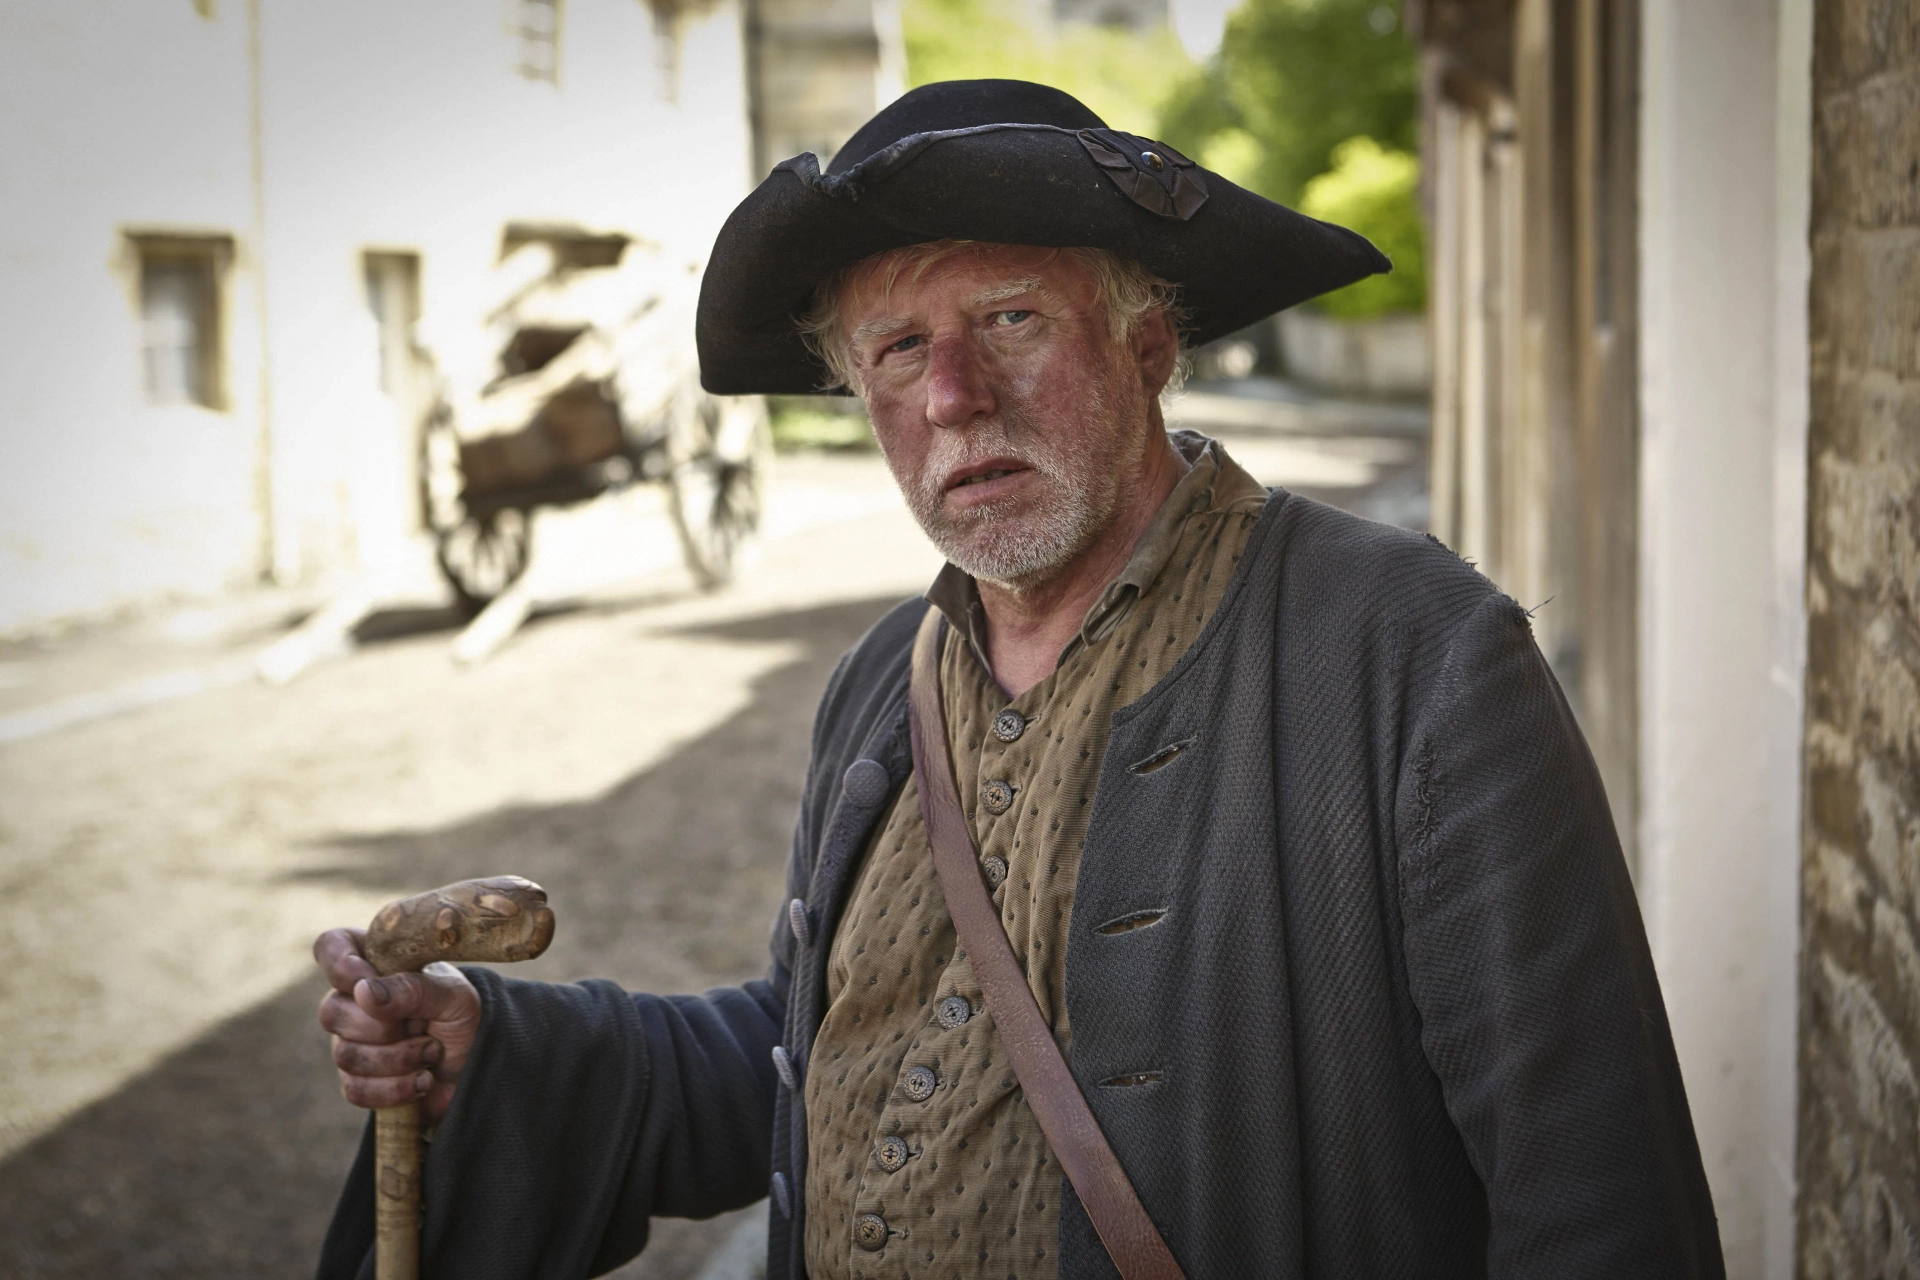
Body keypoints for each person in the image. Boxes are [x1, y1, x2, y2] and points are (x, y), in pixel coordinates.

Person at [314, 80, 1725, 1279]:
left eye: (1010, 322)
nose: (951, 399)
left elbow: (1592, 1194)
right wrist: (502, 1043)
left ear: (1149, 341)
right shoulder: (883, 683)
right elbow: (826, 1049)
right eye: (896, 351)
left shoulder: (1411, 658)